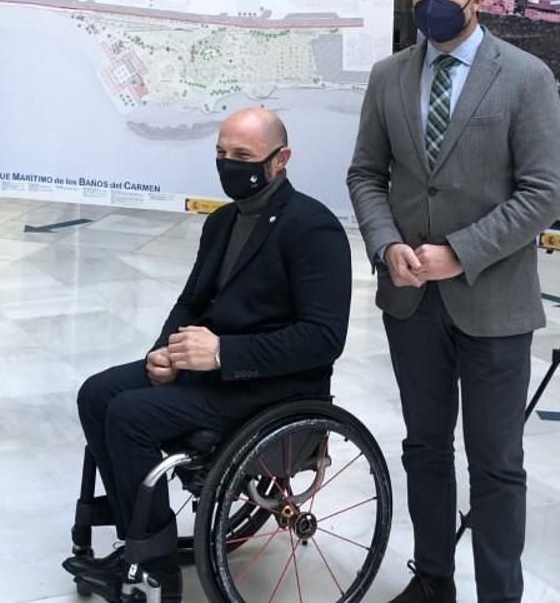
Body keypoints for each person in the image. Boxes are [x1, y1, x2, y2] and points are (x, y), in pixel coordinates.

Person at [347, 0, 560, 603]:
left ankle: (500, 592)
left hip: (493, 301)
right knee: (425, 449)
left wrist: (459, 252)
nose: (432, 2)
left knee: (497, 464)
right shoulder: (389, 77)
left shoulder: (526, 77)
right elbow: (366, 175)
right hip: (411, 300)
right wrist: (388, 247)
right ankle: (433, 579)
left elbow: (544, 193)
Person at [68, 107, 352, 602]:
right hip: (208, 370)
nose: (228, 165)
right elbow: (192, 301)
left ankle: (154, 564)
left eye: (243, 156)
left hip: (269, 388)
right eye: (221, 154)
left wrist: (223, 352)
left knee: (130, 415)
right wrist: (163, 351)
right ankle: (140, 531)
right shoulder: (221, 222)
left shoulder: (313, 229)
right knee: (96, 393)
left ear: (281, 159)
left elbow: (323, 338)